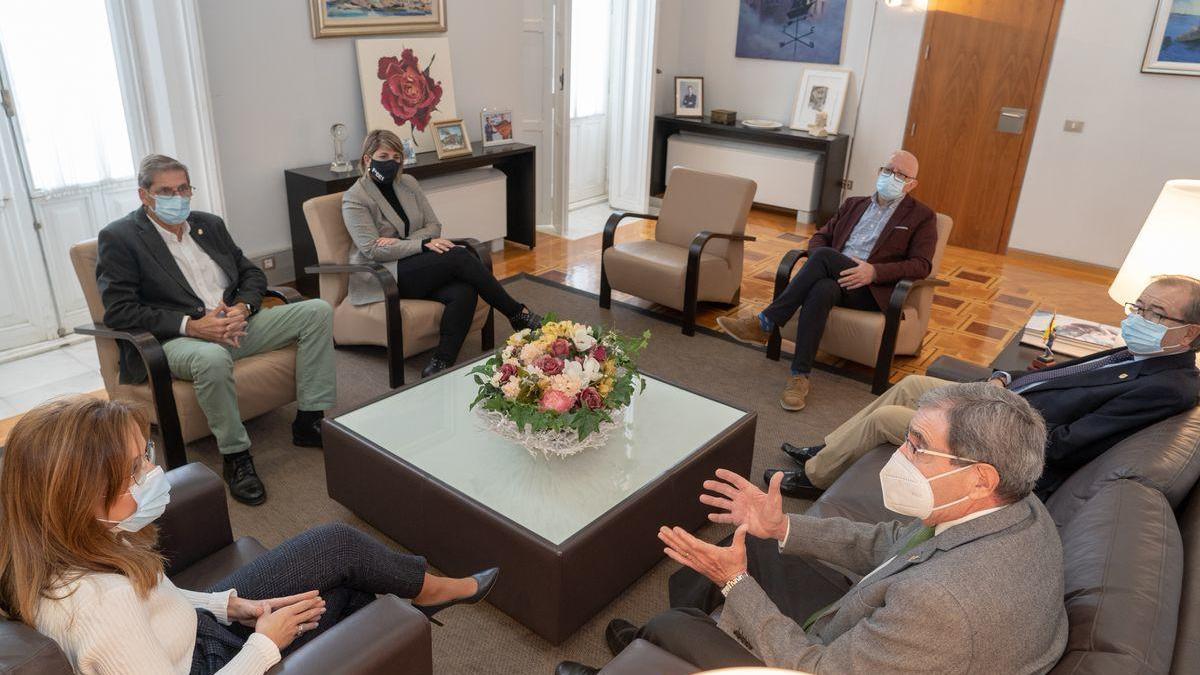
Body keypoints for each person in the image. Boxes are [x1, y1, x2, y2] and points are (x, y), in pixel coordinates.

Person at [558, 383, 1068, 674]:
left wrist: (735, 584)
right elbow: (887, 544)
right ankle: (674, 646)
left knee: (677, 621)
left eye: (917, 445)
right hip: (876, 626)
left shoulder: (945, 605)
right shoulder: (1016, 507)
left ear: (980, 477)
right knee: (752, 538)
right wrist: (781, 526)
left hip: (834, 656)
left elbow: (815, 670)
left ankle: (664, 642)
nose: (899, 455)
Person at [0, 396, 498, 675]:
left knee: (336, 545)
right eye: (135, 469)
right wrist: (264, 645)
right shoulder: (99, 604)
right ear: (76, 499)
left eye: (145, 454)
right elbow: (126, 616)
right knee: (349, 596)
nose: (153, 473)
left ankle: (428, 593)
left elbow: (155, 596)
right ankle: (417, 609)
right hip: (206, 662)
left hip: (196, 627)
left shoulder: (71, 541)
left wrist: (229, 606)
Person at [768, 275, 1200, 499]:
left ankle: (813, 477)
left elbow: (1067, 445)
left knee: (886, 418)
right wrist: (1006, 381)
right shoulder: (1139, 353)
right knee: (913, 382)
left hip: (1007, 444)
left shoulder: (1168, 386)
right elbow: (1062, 380)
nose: (1138, 318)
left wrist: (993, 412)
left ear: (1189, 332)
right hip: (1004, 404)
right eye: (1137, 306)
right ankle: (826, 450)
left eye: (1155, 312)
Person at [97, 154, 337, 506]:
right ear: (144, 195)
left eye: (183, 188)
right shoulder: (120, 238)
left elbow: (251, 274)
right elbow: (119, 309)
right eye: (166, 191)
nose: (177, 198)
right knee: (210, 359)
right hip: (176, 339)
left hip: (235, 323)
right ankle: (237, 457)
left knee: (316, 311)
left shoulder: (208, 225)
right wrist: (192, 325)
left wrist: (244, 308)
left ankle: (309, 421)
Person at [717, 150, 937, 412]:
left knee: (823, 257)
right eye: (888, 170)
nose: (892, 176)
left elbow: (921, 265)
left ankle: (766, 322)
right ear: (879, 172)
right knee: (821, 287)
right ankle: (799, 377)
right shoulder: (853, 204)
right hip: (834, 278)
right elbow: (821, 237)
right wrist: (822, 266)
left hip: (870, 289)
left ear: (912, 183)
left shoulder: (922, 216)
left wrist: (874, 272)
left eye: (901, 174)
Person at [342, 129, 542, 378]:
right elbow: (373, 249)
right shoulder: (355, 198)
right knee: (458, 256)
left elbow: (434, 227)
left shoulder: (409, 184)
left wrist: (405, 242)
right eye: (384, 155)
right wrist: (422, 243)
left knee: (464, 290)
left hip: (415, 264)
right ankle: (517, 313)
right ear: (367, 159)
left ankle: (441, 363)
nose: (391, 162)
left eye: (396, 157)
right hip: (383, 273)